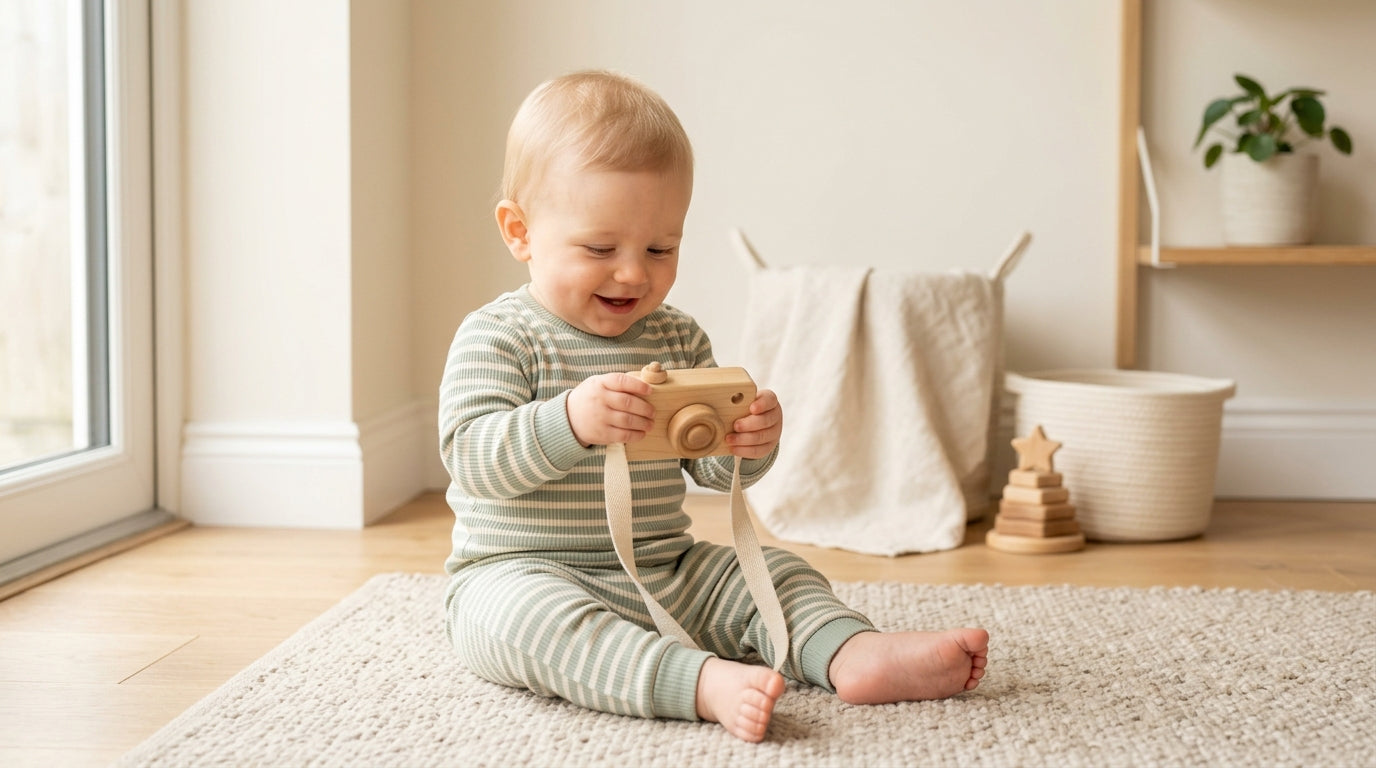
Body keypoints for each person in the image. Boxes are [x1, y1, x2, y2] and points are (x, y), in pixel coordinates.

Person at [439, 69, 989, 743]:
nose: (634, 272)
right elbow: (473, 460)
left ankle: (851, 652)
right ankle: (695, 682)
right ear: (520, 232)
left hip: (663, 569)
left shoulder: (675, 337)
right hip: (523, 572)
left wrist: (746, 446)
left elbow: (706, 471)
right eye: (600, 248)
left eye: (660, 248)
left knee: (770, 571)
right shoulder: (498, 337)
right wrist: (571, 422)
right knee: (523, 624)